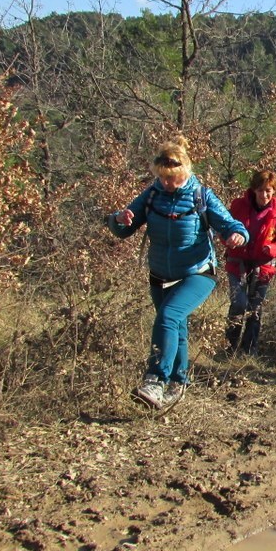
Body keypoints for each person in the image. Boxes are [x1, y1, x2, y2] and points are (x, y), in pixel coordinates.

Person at [108, 136, 248, 411]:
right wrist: (118, 219)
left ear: (185, 172)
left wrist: (236, 236)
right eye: (162, 178)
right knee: (176, 326)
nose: (167, 184)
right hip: (160, 274)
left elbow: (234, 226)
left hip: (197, 273)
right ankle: (177, 384)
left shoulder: (202, 196)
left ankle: (155, 381)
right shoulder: (151, 195)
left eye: (172, 179)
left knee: (168, 317)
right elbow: (123, 227)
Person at [224, 169, 276, 355]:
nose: (264, 195)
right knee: (239, 303)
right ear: (253, 190)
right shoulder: (239, 206)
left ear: (274, 192)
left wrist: (272, 249)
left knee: (255, 308)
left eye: (268, 191)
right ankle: (229, 347)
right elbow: (224, 227)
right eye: (260, 190)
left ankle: (249, 351)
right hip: (237, 262)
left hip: (263, 267)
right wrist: (230, 238)